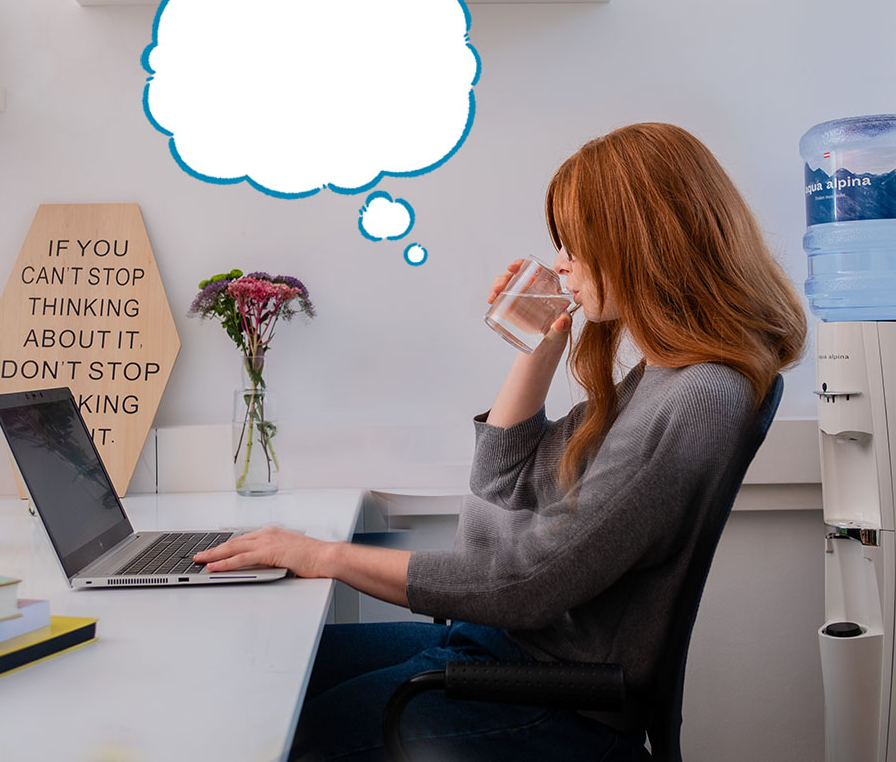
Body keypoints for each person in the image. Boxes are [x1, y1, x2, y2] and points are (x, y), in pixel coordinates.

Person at [193, 122, 807, 761]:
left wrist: (324, 556)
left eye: (574, 245)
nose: (560, 262)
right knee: (274, 667)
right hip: (502, 652)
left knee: (284, 730)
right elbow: (507, 485)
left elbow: (520, 582)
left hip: (546, 700)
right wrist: (539, 348)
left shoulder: (697, 395)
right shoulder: (662, 377)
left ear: (640, 243)